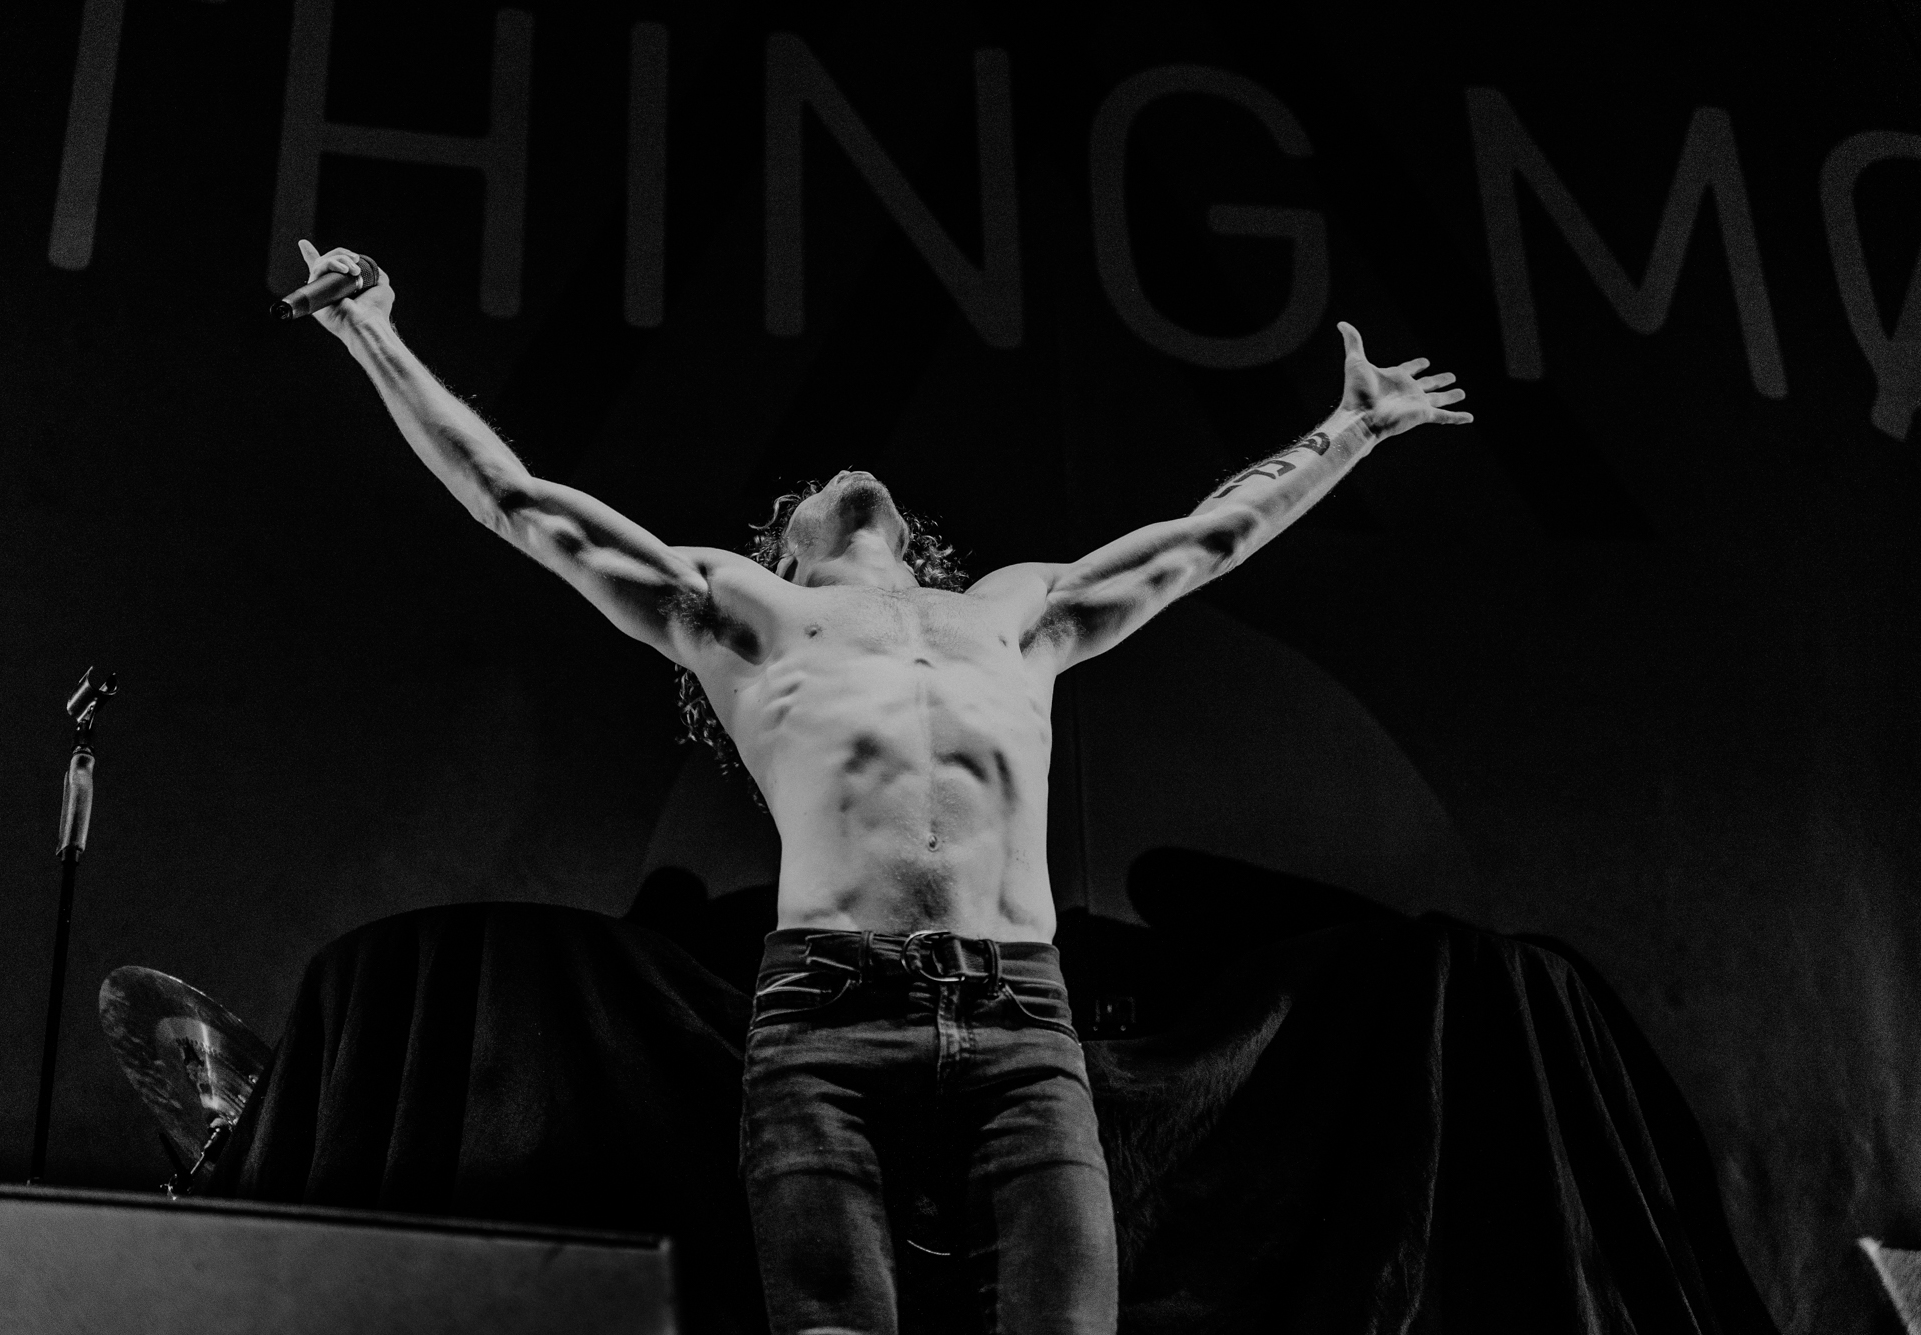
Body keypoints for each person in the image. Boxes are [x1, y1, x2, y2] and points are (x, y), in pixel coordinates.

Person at [294, 239, 1471, 1335]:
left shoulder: (1014, 611)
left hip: (1018, 1014)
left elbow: (1202, 540)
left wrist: (1349, 430)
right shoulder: (747, 614)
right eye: (806, 491)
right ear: (785, 547)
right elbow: (519, 501)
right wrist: (374, 333)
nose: (843, 474)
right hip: (826, 1016)